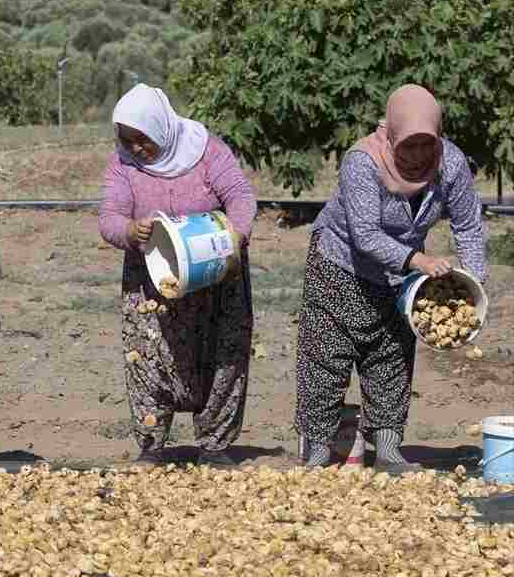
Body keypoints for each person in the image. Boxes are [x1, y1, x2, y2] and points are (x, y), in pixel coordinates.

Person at [294, 84, 487, 473]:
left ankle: (388, 450)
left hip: (400, 276)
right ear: (392, 135)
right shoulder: (362, 162)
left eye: (426, 145)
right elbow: (364, 235)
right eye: (408, 146)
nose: (418, 157)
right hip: (339, 264)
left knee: (391, 357)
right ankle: (316, 450)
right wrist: (419, 260)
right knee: (326, 358)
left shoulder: (450, 164)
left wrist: (473, 285)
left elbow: (468, 225)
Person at [98, 83, 257, 467]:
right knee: (149, 359)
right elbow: (109, 217)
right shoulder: (123, 165)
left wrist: (236, 236)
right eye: (127, 139)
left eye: (143, 139)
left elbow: (240, 196)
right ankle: (152, 444)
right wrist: (130, 230)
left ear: (162, 128)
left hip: (215, 273)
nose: (136, 148)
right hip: (154, 279)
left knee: (223, 355)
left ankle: (215, 446)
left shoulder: (207, 151)